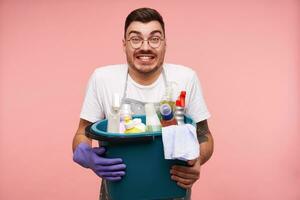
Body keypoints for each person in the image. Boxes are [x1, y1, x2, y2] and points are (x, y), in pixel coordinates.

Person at [72, 7, 214, 200]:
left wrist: (197, 160)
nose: (145, 47)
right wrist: (86, 154)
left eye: (154, 38)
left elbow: (204, 135)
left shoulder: (185, 78)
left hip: (172, 192)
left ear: (165, 43)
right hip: (119, 192)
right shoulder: (102, 79)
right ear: (124, 44)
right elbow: (82, 132)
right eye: (135, 38)